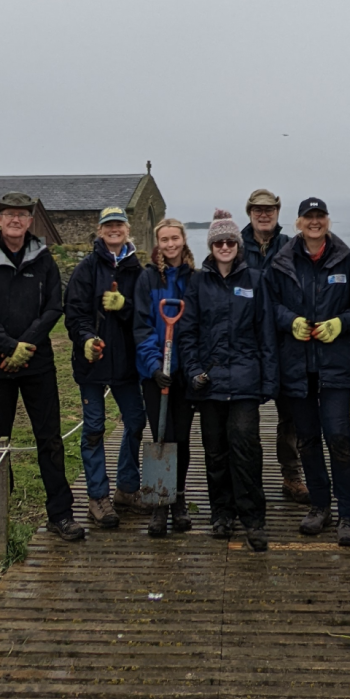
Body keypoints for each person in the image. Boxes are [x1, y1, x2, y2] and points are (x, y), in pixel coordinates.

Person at [0, 192, 84, 542]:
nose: (15, 220)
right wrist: (7, 345)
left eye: (22, 215)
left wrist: (25, 346)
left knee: (50, 441)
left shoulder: (44, 260)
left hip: (37, 365)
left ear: (30, 221)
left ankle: (60, 515)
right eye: (9, 214)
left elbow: (53, 308)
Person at [267, 197, 350, 547]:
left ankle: (349, 514)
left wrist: (341, 323)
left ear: (327, 220)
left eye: (320, 216)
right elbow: (270, 305)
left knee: (339, 437)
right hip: (297, 365)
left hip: (336, 363)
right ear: (298, 223)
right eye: (308, 217)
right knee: (308, 440)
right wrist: (289, 320)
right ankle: (320, 506)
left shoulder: (348, 259)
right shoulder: (281, 262)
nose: (314, 222)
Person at [177, 209, 278, 552]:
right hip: (210, 383)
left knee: (246, 449)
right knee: (215, 452)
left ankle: (253, 519)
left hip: (247, 380)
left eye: (229, 240)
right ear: (210, 245)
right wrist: (192, 371)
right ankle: (221, 513)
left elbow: (266, 333)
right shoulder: (197, 282)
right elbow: (187, 333)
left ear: (237, 244)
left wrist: (269, 380)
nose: (224, 246)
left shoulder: (256, 280)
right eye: (218, 241)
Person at [64, 206, 147, 529]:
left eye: (119, 224)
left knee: (136, 421)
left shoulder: (137, 271)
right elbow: (74, 312)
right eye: (108, 225)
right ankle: (97, 495)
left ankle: (127, 488)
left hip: (126, 361)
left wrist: (125, 306)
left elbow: (145, 313)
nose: (114, 229)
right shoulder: (86, 269)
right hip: (93, 361)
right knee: (95, 427)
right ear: (99, 231)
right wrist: (85, 339)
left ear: (127, 230)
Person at [240, 189, 308, 505]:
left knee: (290, 416)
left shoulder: (291, 246)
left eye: (269, 209)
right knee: (244, 419)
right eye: (257, 209)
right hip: (247, 346)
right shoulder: (234, 246)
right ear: (249, 212)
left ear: (278, 212)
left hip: (286, 344)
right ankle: (246, 478)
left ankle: (291, 475)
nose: (263, 214)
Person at [133, 218, 197, 536]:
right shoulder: (147, 279)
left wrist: (187, 364)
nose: (170, 244)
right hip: (154, 373)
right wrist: (155, 365)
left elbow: (196, 324)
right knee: (162, 436)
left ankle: (179, 498)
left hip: (183, 372)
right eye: (164, 239)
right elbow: (142, 325)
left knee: (182, 438)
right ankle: (160, 501)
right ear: (158, 243)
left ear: (183, 240)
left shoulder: (193, 279)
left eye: (175, 238)